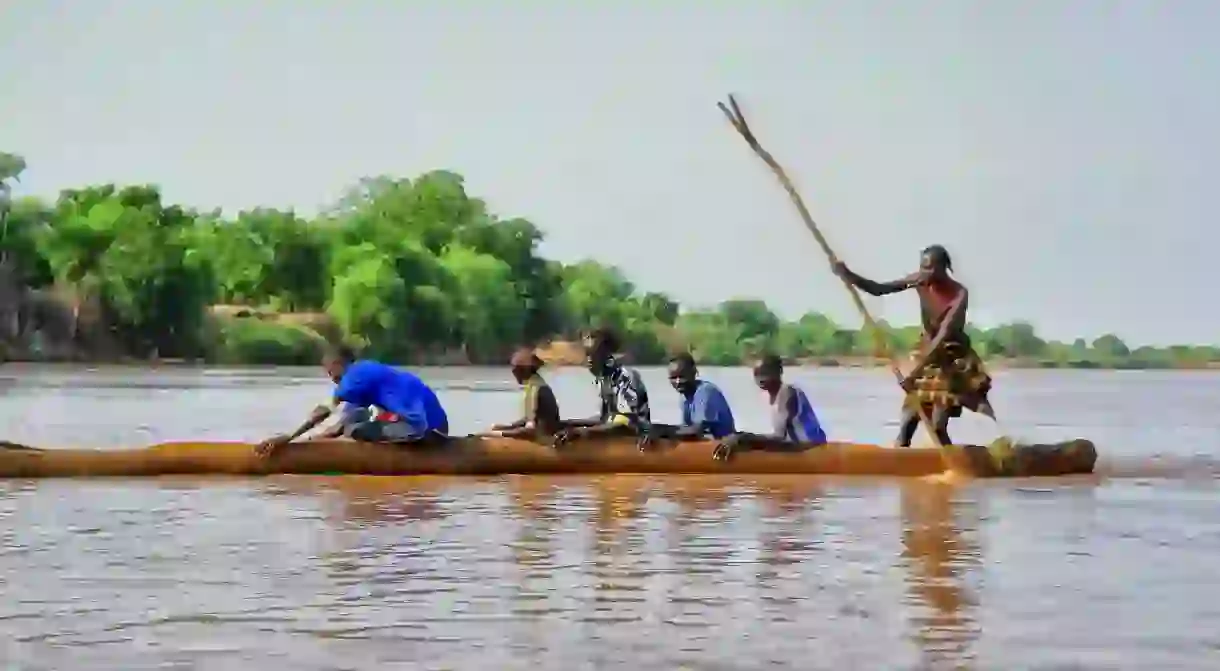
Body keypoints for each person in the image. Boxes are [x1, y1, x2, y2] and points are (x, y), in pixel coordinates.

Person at [833, 244, 994, 447]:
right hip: (927, 350)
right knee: (908, 421)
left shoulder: (959, 293)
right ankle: (902, 457)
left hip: (951, 355)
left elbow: (943, 336)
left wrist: (914, 375)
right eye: (922, 267)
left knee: (937, 425)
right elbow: (879, 289)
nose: (923, 273)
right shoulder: (919, 281)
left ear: (943, 268)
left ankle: (964, 459)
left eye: (929, 268)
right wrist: (848, 275)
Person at [255, 344, 450, 457]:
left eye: (330, 372)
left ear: (339, 364)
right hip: (438, 425)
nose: (332, 379)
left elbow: (324, 411)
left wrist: (289, 437)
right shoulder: (368, 376)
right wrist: (307, 441)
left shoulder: (354, 376)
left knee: (354, 430)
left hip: (420, 428)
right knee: (355, 419)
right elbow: (339, 426)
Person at [712, 354, 827, 460]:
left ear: (779, 372)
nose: (760, 379)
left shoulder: (786, 392)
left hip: (810, 447)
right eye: (757, 374)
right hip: (799, 445)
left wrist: (745, 438)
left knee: (745, 441)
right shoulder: (774, 395)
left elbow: (779, 438)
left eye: (766, 373)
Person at [551, 328, 651, 449]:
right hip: (615, 435)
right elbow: (605, 421)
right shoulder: (604, 379)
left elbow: (624, 425)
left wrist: (582, 432)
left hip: (635, 442)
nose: (588, 360)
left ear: (607, 354)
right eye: (586, 354)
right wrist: (570, 425)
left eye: (593, 354)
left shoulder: (625, 377)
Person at [644, 352, 736, 447]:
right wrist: (655, 429)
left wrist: (663, 430)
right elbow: (685, 429)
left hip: (725, 446)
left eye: (682, 377)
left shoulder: (705, 391)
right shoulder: (685, 396)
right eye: (673, 378)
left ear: (694, 372)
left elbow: (696, 431)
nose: (678, 382)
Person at [489, 347, 562, 440]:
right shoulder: (534, 384)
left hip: (545, 439)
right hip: (541, 431)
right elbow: (530, 419)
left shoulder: (536, 389)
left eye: (515, 369)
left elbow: (530, 430)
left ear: (524, 370)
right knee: (494, 428)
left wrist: (500, 433)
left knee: (492, 433)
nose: (513, 372)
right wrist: (507, 427)